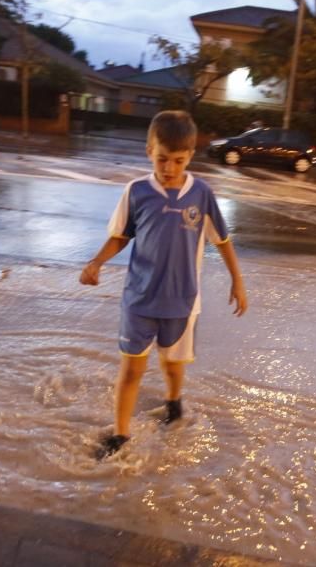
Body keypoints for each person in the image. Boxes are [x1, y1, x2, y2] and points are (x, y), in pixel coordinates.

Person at [79, 110, 248, 460]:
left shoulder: (201, 193)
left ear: (189, 157)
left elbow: (223, 240)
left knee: (173, 364)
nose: (169, 168)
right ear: (148, 152)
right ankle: (121, 435)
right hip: (139, 298)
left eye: (178, 161)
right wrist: (96, 261)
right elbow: (121, 236)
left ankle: (174, 403)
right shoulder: (137, 191)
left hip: (183, 301)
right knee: (132, 369)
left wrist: (238, 281)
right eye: (162, 159)